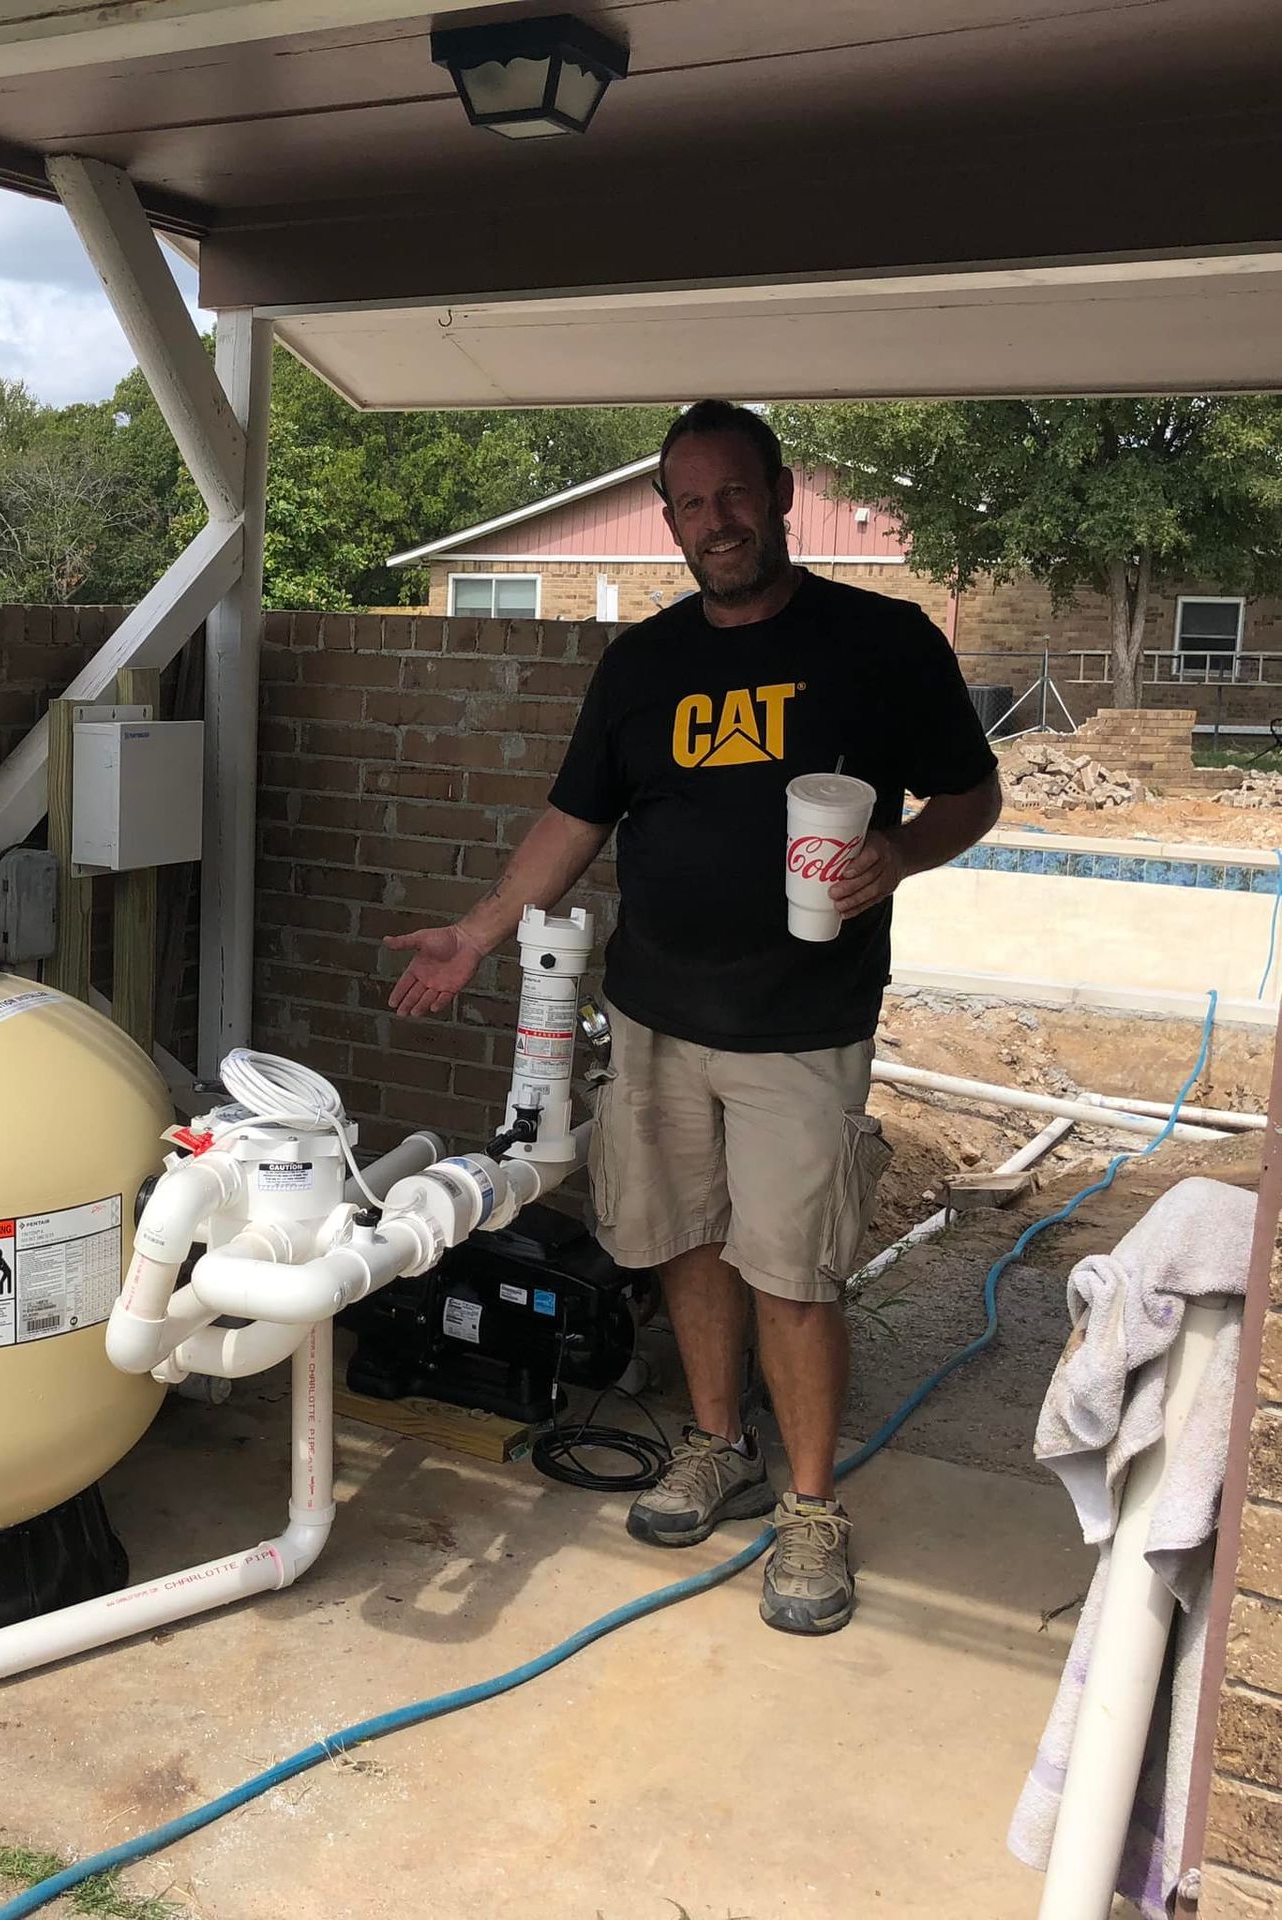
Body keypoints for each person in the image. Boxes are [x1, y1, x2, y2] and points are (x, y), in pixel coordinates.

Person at [385, 401, 1001, 1635]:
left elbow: (974, 794)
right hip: (658, 1012)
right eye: (690, 502)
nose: (715, 521)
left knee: (794, 1269)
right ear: (667, 518)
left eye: (734, 494)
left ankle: (813, 1508)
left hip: (802, 1020)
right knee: (687, 1248)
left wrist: (900, 850)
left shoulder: (879, 642)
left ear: (779, 496)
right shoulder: (644, 663)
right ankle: (718, 1444)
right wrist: (480, 927)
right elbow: (576, 819)